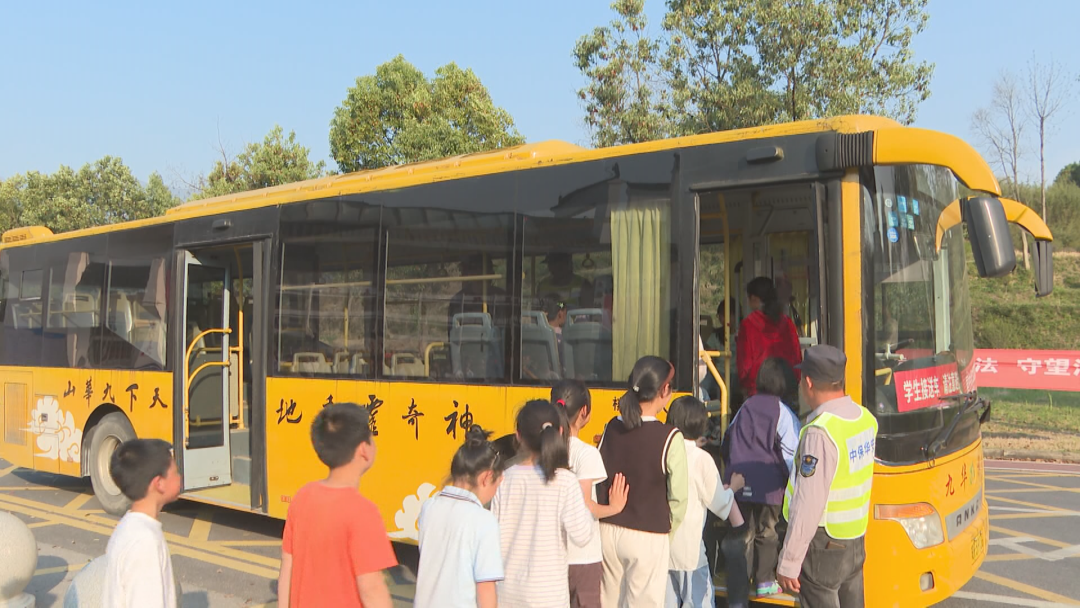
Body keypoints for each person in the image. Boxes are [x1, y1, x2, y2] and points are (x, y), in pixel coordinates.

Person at [777, 345, 878, 608]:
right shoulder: (864, 419)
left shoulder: (820, 433)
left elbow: (807, 504)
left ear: (808, 382)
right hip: (854, 542)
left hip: (823, 549)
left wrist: (789, 561)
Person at [278, 403, 397, 608]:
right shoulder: (363, 512)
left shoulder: (302, 496)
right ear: (363, 450)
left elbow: (287, 566)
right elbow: (372, 590)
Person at [597, 356, 689, 608]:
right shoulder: (670, 436)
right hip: (648, 534)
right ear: (664, 390)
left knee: (607, 601)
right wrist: (666, 532)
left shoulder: (611, 427)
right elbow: (679, 498)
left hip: (607, 530)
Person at [492, 399, 593, 608]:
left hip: (507, 592)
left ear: (518, 436)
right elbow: (582, 536)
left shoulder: (504, 479)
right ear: (560, 431)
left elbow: (493, 537)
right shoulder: (565, 481)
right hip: (549, 594)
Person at [721, 357, 801, 597]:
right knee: (767, 531)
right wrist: (793, 487)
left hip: (740, 482)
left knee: (743, 532)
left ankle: (741, 581)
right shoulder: (783, 413)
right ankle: (765, 580)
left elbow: (727, 439)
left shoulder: (745, 407)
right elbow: (791, 453)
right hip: (771, 488)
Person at [551, 380, 630, 608]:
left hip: (553, 554)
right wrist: (614, 508)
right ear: (584, 411)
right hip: (581, 556)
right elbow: (585, 506)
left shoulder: (544, 449)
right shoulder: (586, 454)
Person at [665, 397, 749, 608]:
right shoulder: (702, 459)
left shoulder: (663, 453)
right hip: (690, 554)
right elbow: (719, 503)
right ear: (701, 425)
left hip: (662, 551)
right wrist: (735, 487)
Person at [415, 425, 506, 608]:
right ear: (487, 478)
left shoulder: (429, 507)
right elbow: (485, 587)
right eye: (498, 483)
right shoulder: (483, 520)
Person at [103, 438, 183, 608]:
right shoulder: (145, 541)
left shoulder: (129, 526)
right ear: (159, 483)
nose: (179, 477)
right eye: (175, 472)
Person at [736, 277, 802, 398]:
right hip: (787, 388)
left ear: (754, 299)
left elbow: (744, 364)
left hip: (758, 390)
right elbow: (797, 356)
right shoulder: (787, 322)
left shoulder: (748, 324)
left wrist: (745, 386)